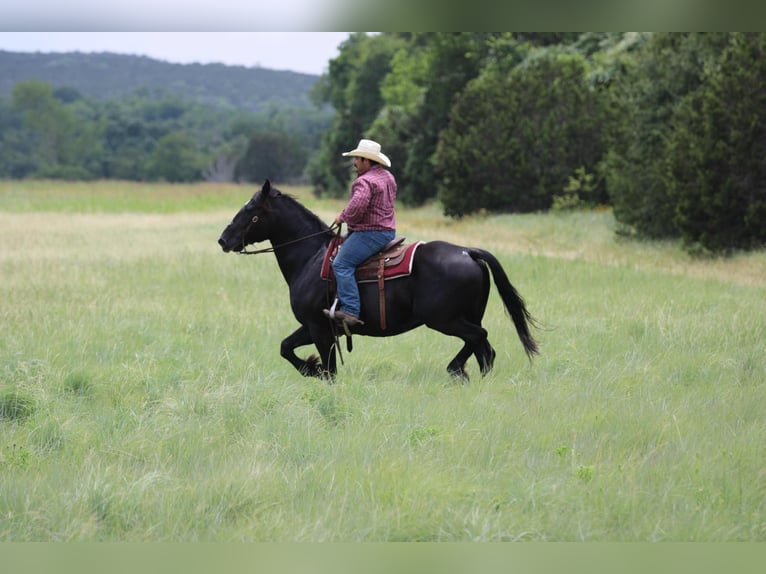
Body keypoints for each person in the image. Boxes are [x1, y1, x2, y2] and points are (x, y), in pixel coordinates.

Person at [324, 139, 397, 327]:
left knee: (341, 264)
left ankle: (350, 310)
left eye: (357, 158)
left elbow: (358, 206)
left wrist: (342, 217)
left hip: (370, 233)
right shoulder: (387, 176)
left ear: (366, 160)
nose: (354, 162)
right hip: (388, 231)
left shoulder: (364, 181)